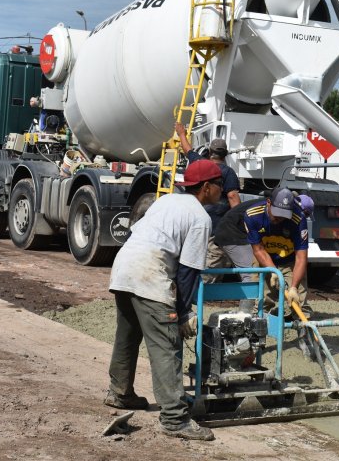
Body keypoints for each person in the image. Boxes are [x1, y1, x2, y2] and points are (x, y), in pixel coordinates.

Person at [104, 159, 222, 442]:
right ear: (206, 188)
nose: (222, 189)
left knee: (128, 336)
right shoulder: (200, 217)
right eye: (219, 184)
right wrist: (182, 314)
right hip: (150, 273)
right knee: (167, 345)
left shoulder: (167, 201)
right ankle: (174, 419)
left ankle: (120, 393)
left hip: (124, 267)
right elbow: (188, 270)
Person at [213, 191, 315, 313]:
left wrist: (293, 287)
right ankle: (260, 323)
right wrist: (273, 271)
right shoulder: (253, 215)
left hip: (289, 258)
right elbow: (258, 249)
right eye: (277, 213)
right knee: (263, 299)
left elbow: (301, 258)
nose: (280, 218)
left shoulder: (298, 219)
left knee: (298, 301)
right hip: (264, 254)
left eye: (284, 215)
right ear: (268, 203)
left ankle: (303, 327)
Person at [174, 123, 241, 282]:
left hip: (194, 221)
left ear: (210, 152)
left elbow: (188, 151)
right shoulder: (228, 172)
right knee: (214, 256)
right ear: (225, 155)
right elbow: (232, 197)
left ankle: (190, 283)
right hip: (216, 225)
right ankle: (203, 289)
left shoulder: (199, 163)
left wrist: (182, 134)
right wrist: (240, 222)